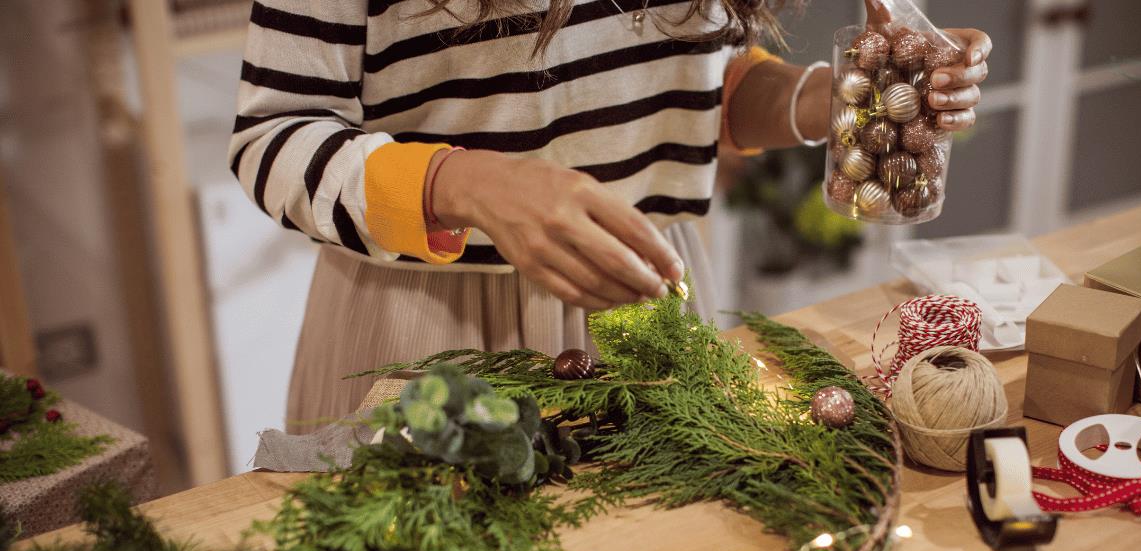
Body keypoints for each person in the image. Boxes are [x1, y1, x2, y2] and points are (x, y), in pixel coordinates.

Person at [229, 0, 990, 431]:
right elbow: (273, 137)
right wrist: (467, 183)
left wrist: (829, 99)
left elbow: (690, 82)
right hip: (428, 324)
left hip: (650, 300)